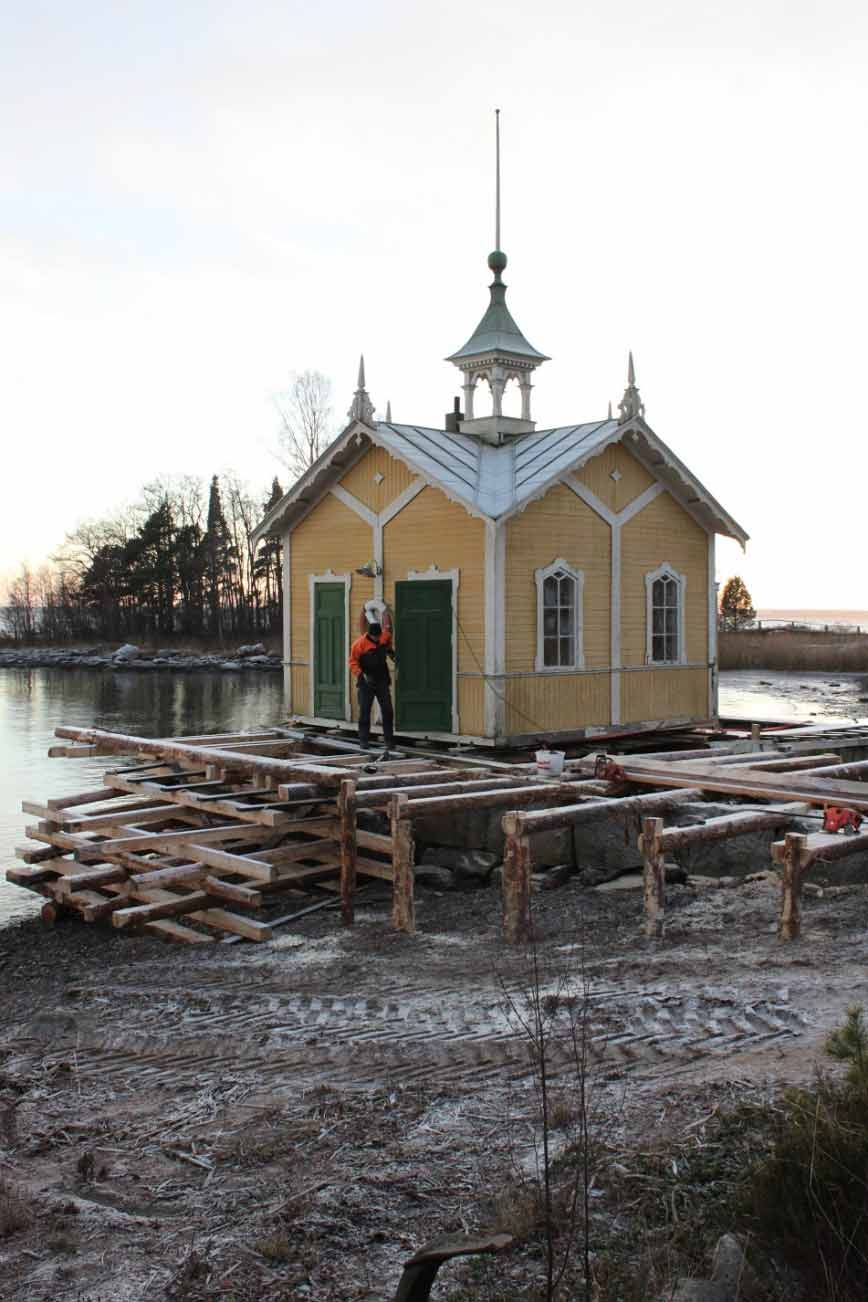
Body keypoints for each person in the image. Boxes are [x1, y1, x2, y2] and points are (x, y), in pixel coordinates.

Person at [348, 604, 396, 752]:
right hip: (366, 682)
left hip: (382, 679)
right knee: (364, 712)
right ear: (369, 634)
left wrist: (392, 654)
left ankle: (389, 741)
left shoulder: (384, 637)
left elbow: (388, 644)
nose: (377, 639)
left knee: (388, 710)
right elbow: (352, 662)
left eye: (379, 637)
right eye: (375, 637)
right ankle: (363, 741)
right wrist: (360, 675)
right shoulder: (359, 645)